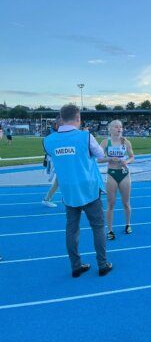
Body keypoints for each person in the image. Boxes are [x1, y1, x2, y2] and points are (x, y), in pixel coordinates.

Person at [43, 104, 112, 277]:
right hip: (89, 189)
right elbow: (101, 155)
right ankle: (102, 264)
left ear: (61, 117)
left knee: (71, 229)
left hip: (68, 191)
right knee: (97, 227)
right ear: (78, 118)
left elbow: (56, 156)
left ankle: (76, 266)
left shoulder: (48, 141)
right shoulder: (85, 136)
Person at [99, 120, 134, 240]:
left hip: (124, 173)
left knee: (126, 203)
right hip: (112, 174)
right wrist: (109, 158)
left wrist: (127, 161)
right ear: (110, 129)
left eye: (121, 127)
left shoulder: (126, 142)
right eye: (116, 127)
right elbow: (98, 159)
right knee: (111, 204)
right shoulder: (105, 142)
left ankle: (128, 224)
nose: (119, 129)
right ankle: (109, 230)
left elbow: (132, 157)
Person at [42, 116, 62, 208]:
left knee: (59, 180)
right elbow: (47, 146)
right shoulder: (51, 133)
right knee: (60, 180)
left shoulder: (59, 131)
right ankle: (47, 199)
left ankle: (47, 198)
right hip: (56, 158)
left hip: (61, 158)